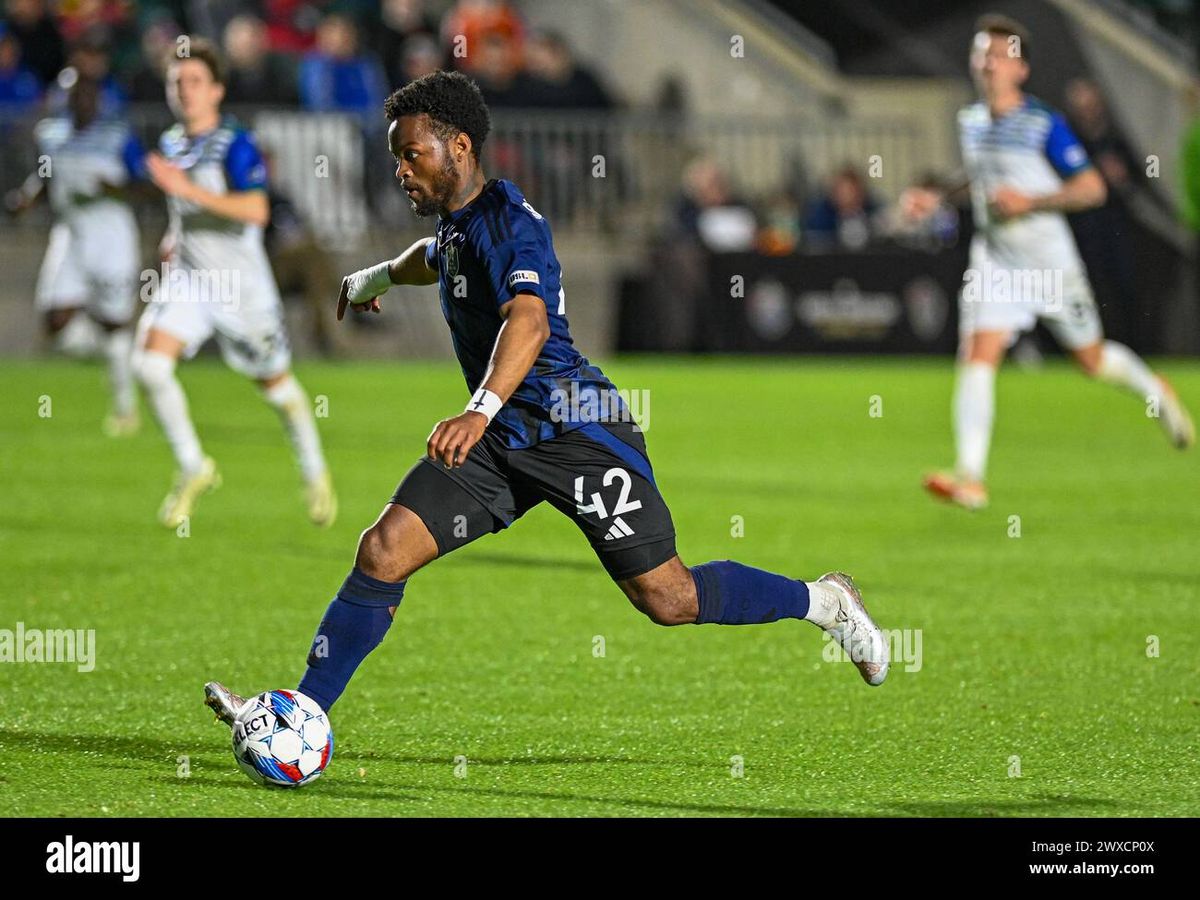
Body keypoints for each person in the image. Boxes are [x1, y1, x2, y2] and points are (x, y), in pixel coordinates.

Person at [203, 71, 889, 733]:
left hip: (575, 429)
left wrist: (478, 410)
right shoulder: (455, 226)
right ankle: (300, 713)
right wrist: (371, 276)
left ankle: (825, 603)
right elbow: (431, 257)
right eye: (396, 158)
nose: (401, 171)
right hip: (500, 440)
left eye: (410, 154)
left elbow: (526, 322)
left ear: (459, 147)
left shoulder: (509, 222)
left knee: (668, 598)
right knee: (383, 551)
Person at [902, 14, 1193, 510]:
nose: (988, 63)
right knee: (979, 351)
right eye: (981, 53)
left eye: (999, 55)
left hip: (1047, 262)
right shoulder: (970, 121)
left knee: (1093, 361)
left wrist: (1030, 202)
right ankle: (970, 477)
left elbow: (1092, 189)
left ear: (1021, 69)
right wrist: (937, 198)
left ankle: (1153, 387)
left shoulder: (1043, 123)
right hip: (995, 259)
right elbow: (979, 176)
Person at [136, 38, 336, 529]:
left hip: (239, 287)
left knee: (276, 388)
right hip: (188, 279)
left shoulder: (235, 143)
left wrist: (188, 191)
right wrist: (171, 235)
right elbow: (182, 210)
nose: (185, 91)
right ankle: (193, 466)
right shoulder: (171, 143)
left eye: (195, 82)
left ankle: (314, 472)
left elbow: (256, 210)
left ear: (217, 90)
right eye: (176, 82)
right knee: (149, 365)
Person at [8, 73, 143, 436]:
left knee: (114, 318)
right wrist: (26, 199)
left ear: (98, 99)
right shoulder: (51, 135)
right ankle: (114, 351)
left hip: (111, 232)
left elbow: (146, 185)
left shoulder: (118, 135)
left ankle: (125, 408)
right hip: (70, 231)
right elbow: (46, 177)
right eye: (73, 95)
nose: (80, 102)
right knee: (55, 320)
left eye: (86, 95)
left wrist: (116, 190)